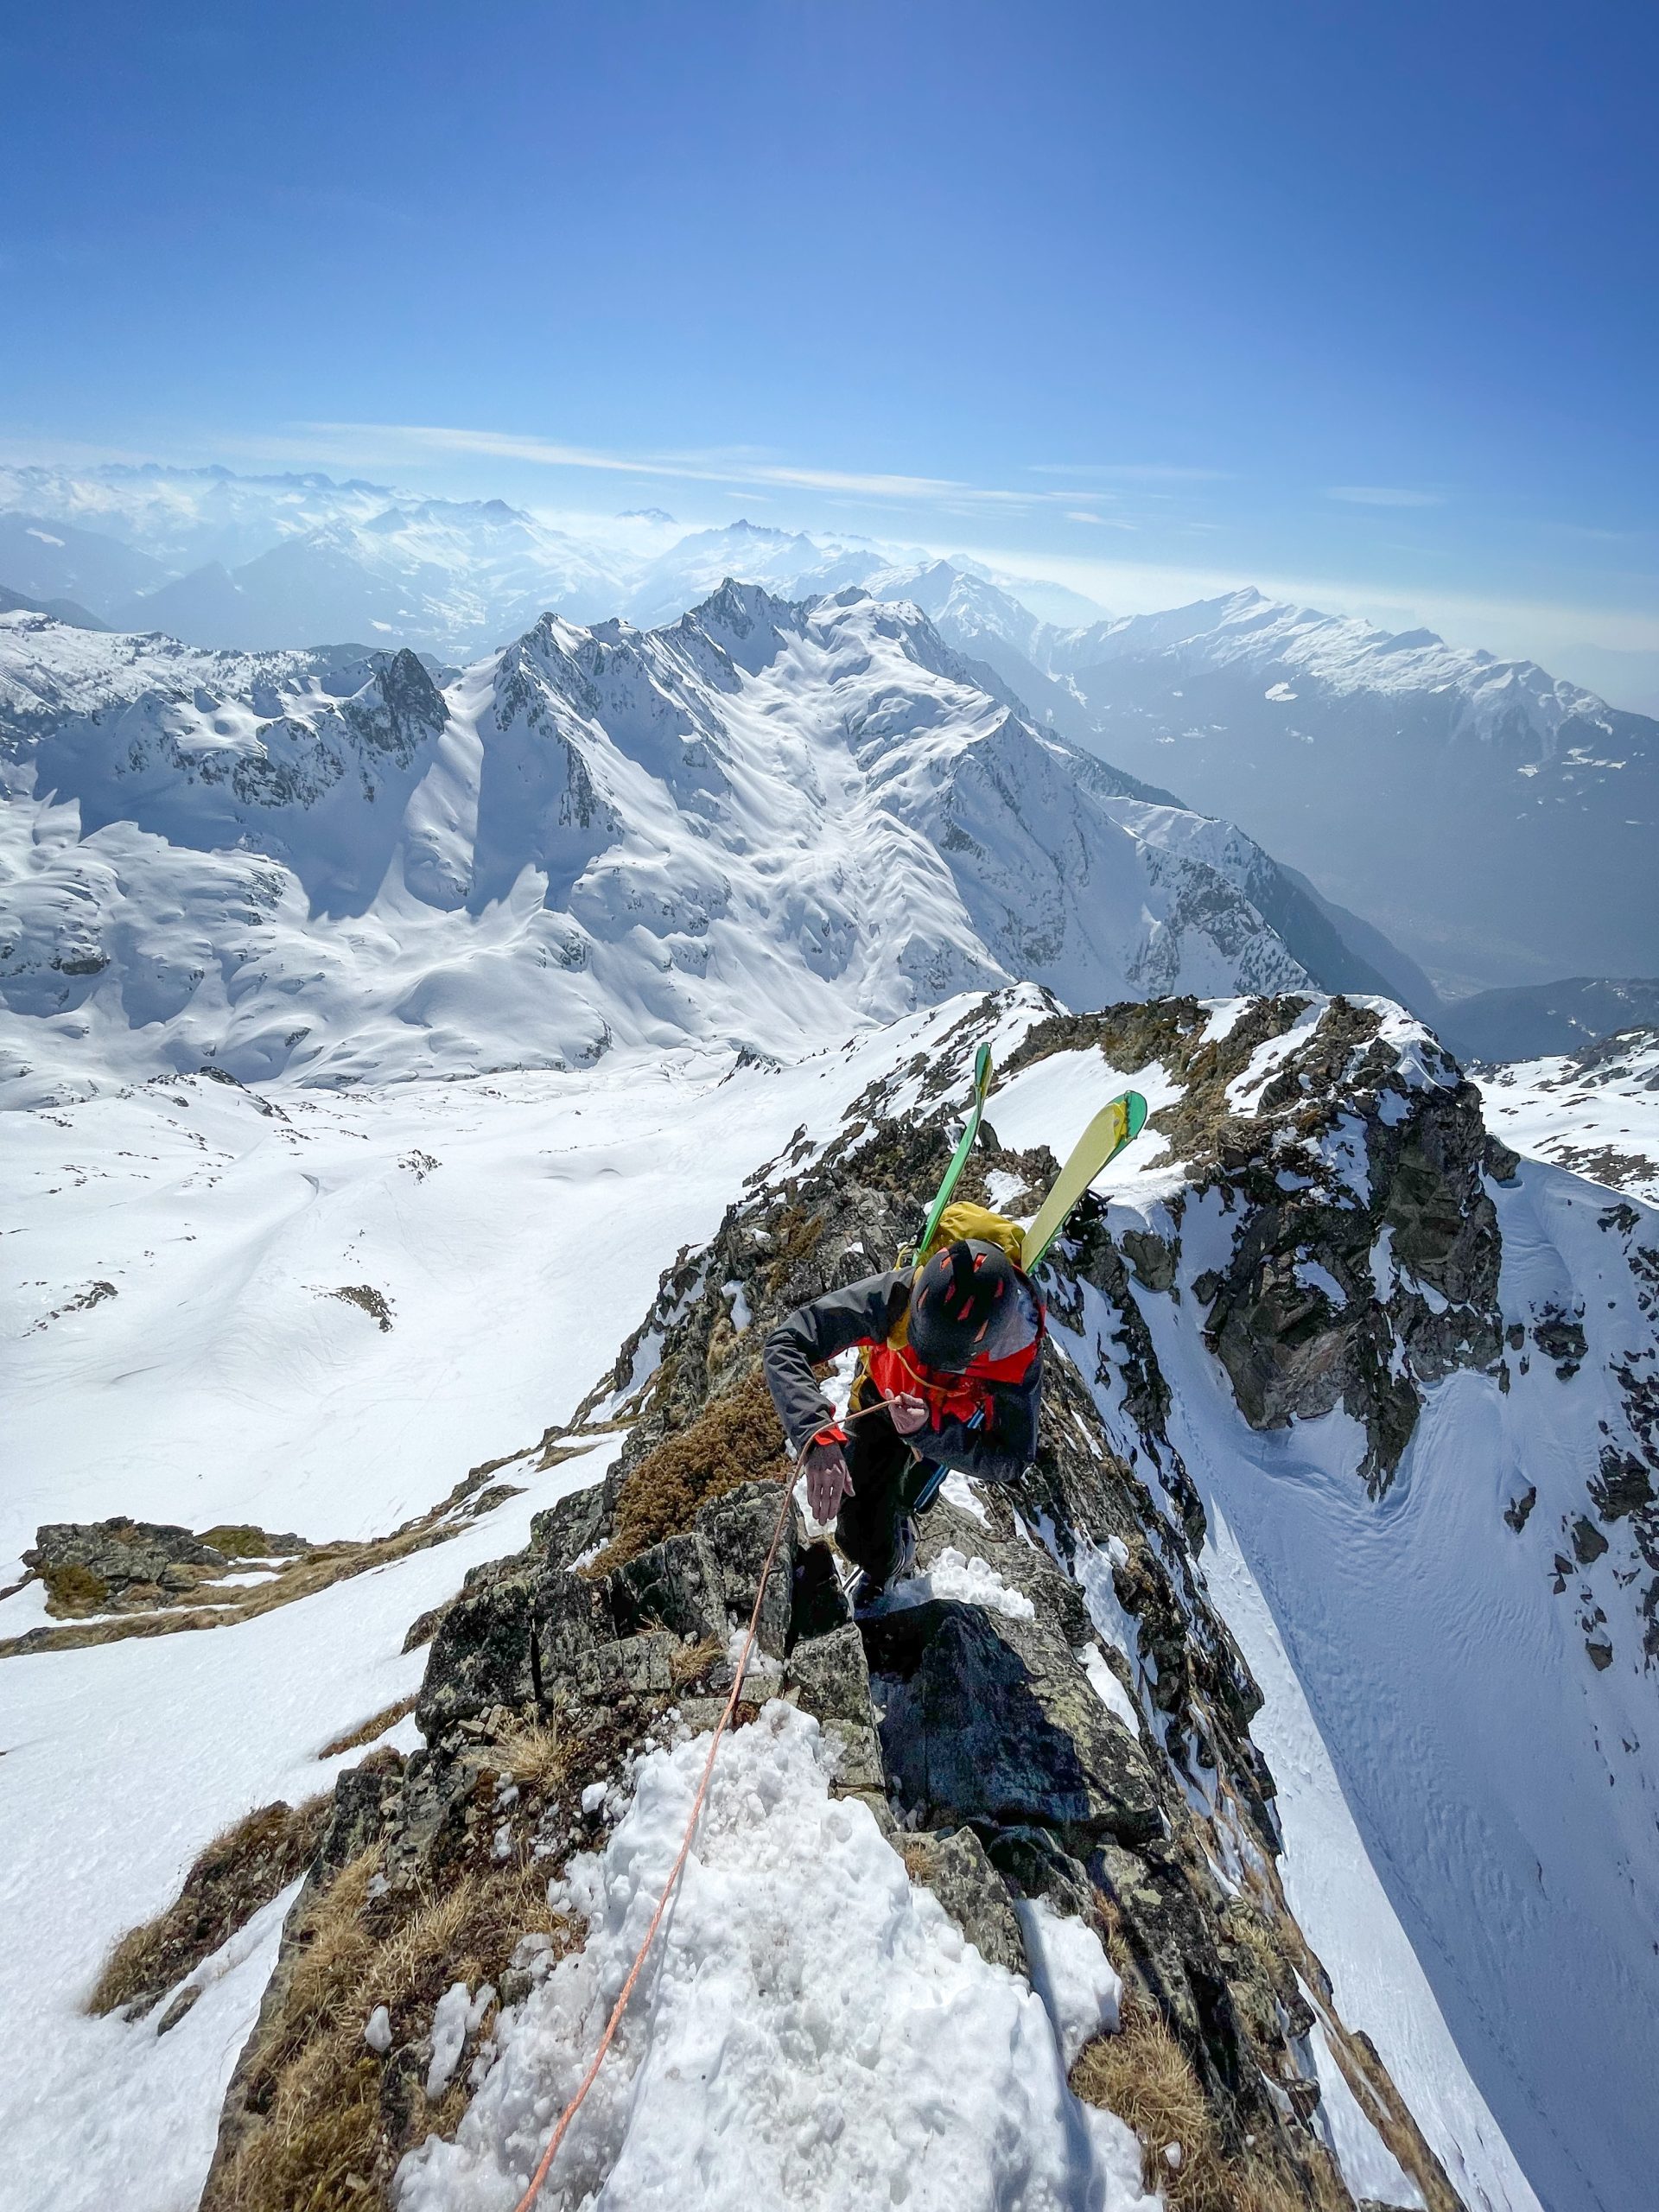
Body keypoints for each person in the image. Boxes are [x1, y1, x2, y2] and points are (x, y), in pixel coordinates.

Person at [762, 1237, 1045, 1605]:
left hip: (941, 1427)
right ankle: (887, 1560)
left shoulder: (1016, 1361)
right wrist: (817, 1434)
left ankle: (900, 1549)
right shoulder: (895, 1294)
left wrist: (928, 1433)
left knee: (912, 1496)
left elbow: (1012, 1458)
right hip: (881, 1402)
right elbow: (787, 1343)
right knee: (856, 1535)